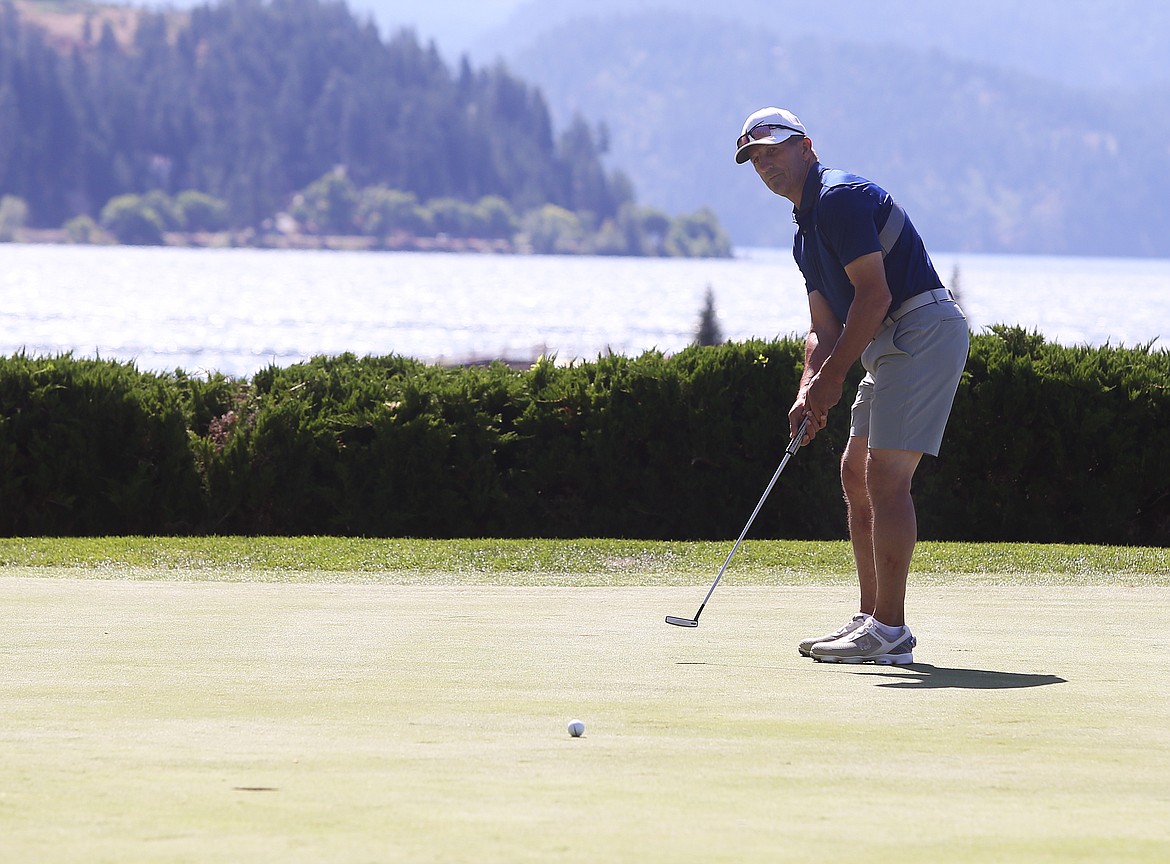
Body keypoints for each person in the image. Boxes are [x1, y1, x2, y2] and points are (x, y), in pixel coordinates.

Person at [734, 107, 969, 665]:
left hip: (921, 326)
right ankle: (871, 620)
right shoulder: (804, 233)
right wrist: (807, 388)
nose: (765, 164)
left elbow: (875, 296)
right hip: (890, 342)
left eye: (774, 150)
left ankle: (891, 629)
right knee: (853, 470)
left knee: (884, 475)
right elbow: (823, 326)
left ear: (807, 145)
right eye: (755, 158)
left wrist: (834, 379)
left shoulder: (839, 198)